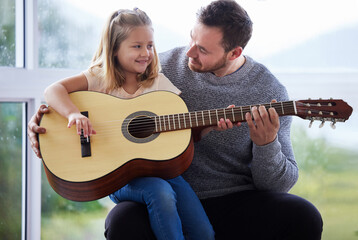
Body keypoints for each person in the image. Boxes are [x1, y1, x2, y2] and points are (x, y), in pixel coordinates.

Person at [28, 1, 323, 240]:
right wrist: (47, 124)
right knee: (124, 220)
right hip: (159, 185)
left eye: (203, 49)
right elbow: (89, 94)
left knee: (303, 215)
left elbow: (281, 183)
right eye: (191, 38)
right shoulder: (156, 66)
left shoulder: (268, 91)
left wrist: (266, 144)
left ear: (234, 52)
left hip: (236, 198)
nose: (189, 52)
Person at [39, 8, 217, 240]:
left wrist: (206, 127)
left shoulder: (159, 84)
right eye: (137, 46)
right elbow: (53, 90)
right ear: (114, 48)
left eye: (150, 46)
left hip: (164, 170)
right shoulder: (98, 78)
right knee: (160, 192)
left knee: (204, 233)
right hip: (116, 175)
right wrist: (73, 114)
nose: (146, 53)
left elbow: (180, 132)